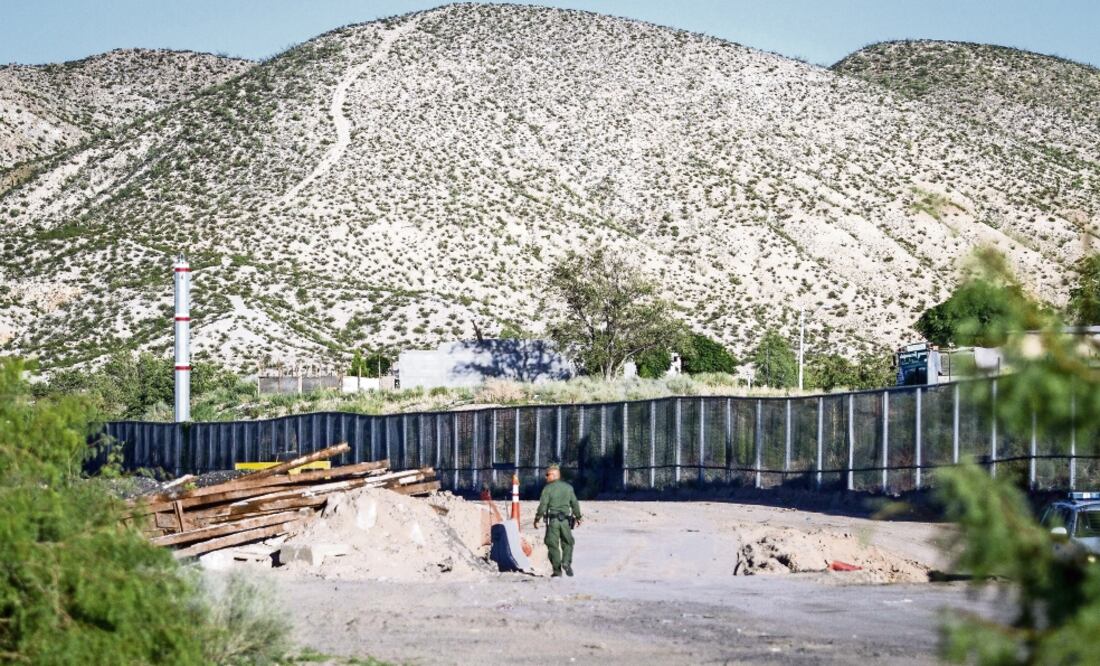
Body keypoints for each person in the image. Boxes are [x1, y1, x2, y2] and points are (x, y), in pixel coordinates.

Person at [533, 463, 582, 577]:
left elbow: (543, 506)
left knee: (552, 545)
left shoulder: (547, 489)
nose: (546, 477)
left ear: (555, 475)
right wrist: (578, 517)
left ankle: (557, 571)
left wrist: (537, 518)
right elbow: (574, 503)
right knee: (568, 542)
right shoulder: (569, 488)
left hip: (553, 521)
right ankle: (566, 562)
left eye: (548, 475)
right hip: (565, 521)